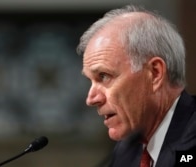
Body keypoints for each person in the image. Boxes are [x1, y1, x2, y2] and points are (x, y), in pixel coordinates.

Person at [77, 5, 196, 167]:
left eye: (104, 76)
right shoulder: (127, 150)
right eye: (91, 81)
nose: (91, 99)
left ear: (155, 73)